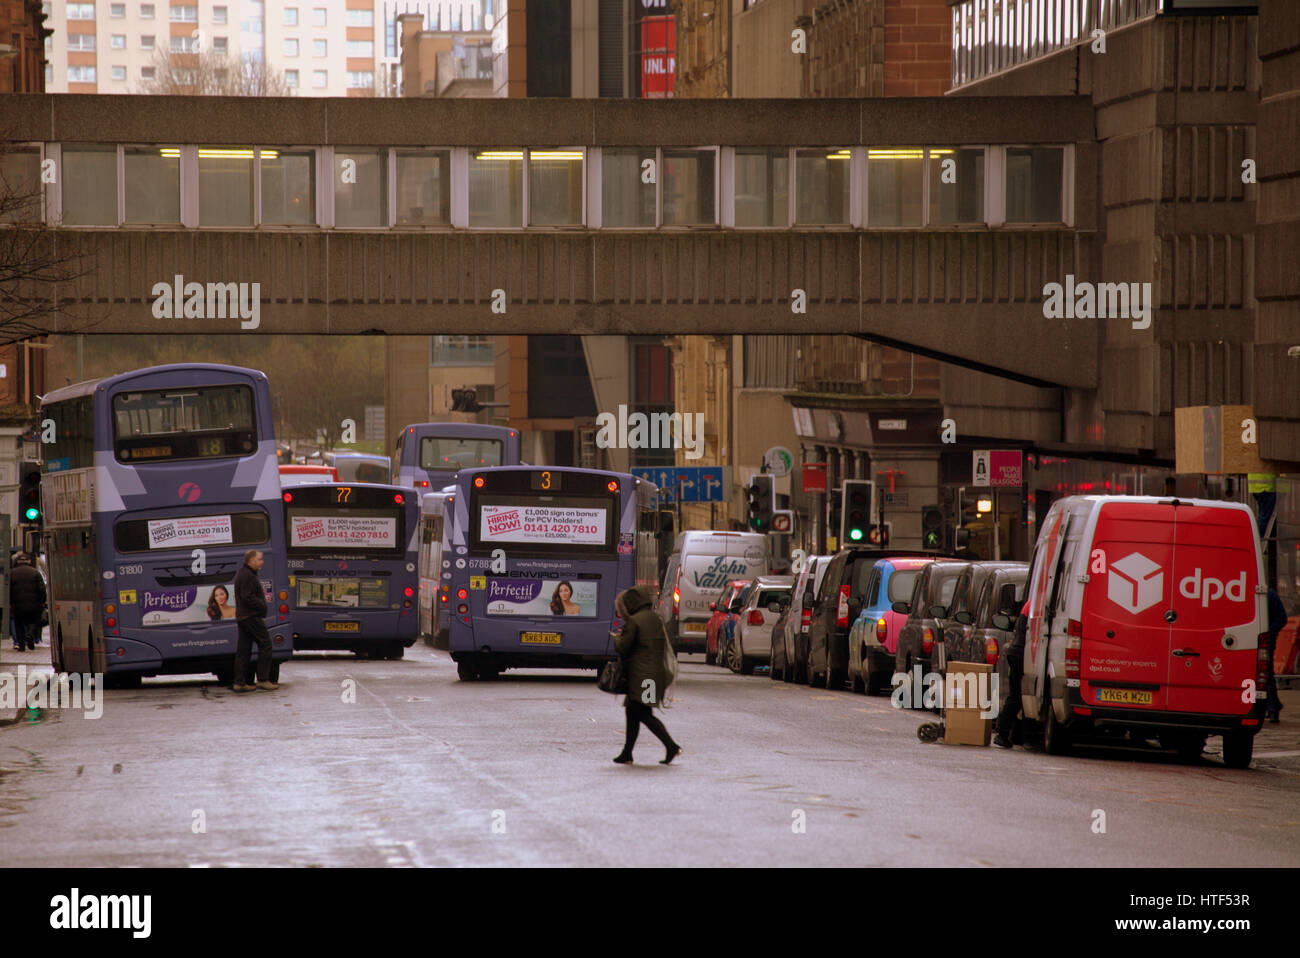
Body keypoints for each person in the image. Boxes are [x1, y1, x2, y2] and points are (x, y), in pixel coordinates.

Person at [611, 585, 681, 765]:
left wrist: (616, 638)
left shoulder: (635, 621)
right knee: (634, 712)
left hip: (641, 676)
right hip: (652, 675)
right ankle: (627, 753)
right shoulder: (654, 618)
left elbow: (623, 647)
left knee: (643, 714)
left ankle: (671, 745)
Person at [233, 550, 277, 692]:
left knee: (244, 649)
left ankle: (239, 682)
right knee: (265, 644)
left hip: (243, 616)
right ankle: (263, 679)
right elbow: (247, 597)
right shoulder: (247, 575)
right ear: (251, 561)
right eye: (259, 559)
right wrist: (262, 605)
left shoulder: (244, 573)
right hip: (250, 616)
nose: (262, 562)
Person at [992, 599, 1030, 749]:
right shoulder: (1034, 603)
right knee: (1016, 696)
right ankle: (1002, 733)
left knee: (1017, 696)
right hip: (1020, 653)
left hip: (1017, 652)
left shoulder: (1029, 604)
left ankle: (1014, 734)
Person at [9, 553, 46, 652]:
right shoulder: (35, 573)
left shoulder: (12, 573)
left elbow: (8, 589)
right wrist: (42, 601)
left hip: (17, 604)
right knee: (34, 621)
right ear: (29, 561)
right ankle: (30, 634)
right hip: (34, 604)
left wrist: (10, 602)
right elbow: (42, 589)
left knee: (19, 624)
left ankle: (21, 645)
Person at [1266, 588, 1288, 723]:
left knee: (1265, 676)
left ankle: (1272, 709)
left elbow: (1281, 618)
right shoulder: (1270, 595)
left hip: (1264, 642)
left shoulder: (1269, 595)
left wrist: (1269, 632)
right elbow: (1282, 618)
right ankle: (1272, 706)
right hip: (1266, 640)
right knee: (1266, 677)